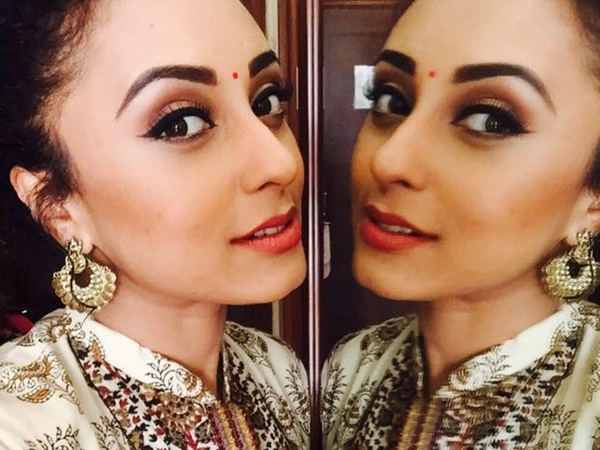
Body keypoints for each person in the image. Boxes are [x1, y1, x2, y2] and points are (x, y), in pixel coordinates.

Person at [0, 1, 309, 449]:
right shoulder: (19, 426)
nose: (281, 163)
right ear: (58, 207)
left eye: (267, 101)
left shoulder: (278, 370)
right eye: (181, 124)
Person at [321, 0, 600, 448]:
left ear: (593, 199)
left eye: (489, 120)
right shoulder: (350, 368)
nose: (388, 160)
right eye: (391, 100)